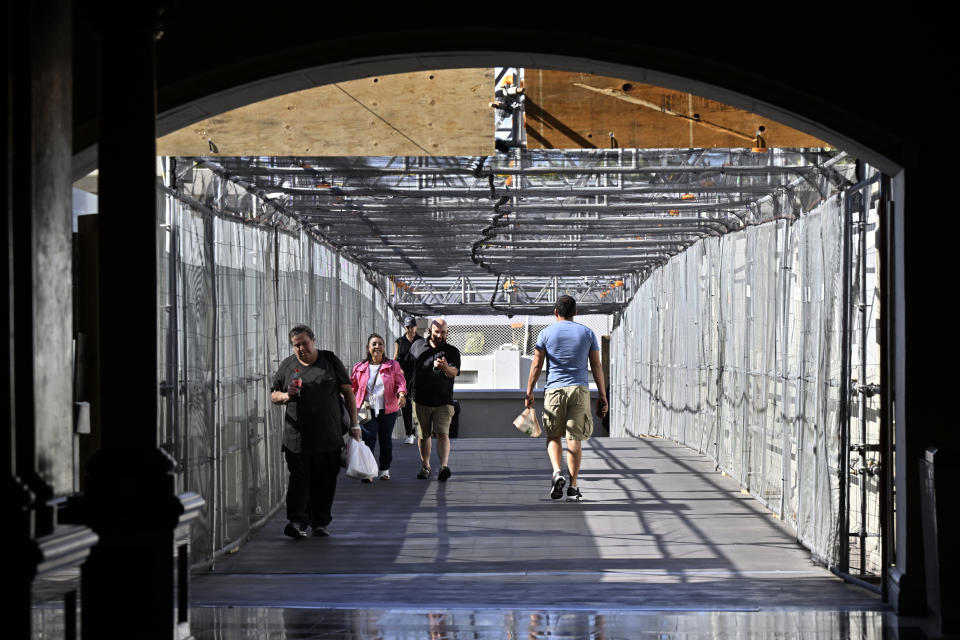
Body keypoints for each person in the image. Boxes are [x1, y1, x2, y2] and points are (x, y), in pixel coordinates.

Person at [271, 324, 360, 538]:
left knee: (326, 480)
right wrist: (286, 395)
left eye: (304, 343)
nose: (301, 348)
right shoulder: (287, 366)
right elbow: (274, 395)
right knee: (299, 480)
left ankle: (320, 522)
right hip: (297, 438)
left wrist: (355, 425)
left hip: (329, 436)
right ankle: (297, 521)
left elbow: (348, 392)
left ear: (313, 341)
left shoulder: (329, 361)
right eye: (296, 345)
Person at [525, 296, 608, 501]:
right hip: (579, 390)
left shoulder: (545, 333)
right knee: (574, 439)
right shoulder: (587, 333)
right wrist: (603, 395)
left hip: (554, 390)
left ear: (555, 312)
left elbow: (536, 365)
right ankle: (572, 487)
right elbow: (597, 366)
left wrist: (529, 392)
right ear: (575, 313)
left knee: (553, 436)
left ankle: (556, 472)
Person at [406, 318, 460, 481]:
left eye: (443, 332)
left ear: (447, 333)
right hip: (420, 399)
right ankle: (426, 466)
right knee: (423, 435)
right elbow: (406, 368)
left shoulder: (452, 351)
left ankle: (443, 467)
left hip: (444, 400)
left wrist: (445, 368)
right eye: (437, 331)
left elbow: (454, 372)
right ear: (430, 331)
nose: (440, 335)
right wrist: (401, 391)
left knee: (443, 434)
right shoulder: (417, 346)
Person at [351, 333, 408, 482]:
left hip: (388, 409)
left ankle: (384, 469)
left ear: (384, 347)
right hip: (367, 410)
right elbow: (352, 387)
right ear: (368, 348)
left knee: (385, 440)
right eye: (374, 344)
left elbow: (400, 383)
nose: (377, 347)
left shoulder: (392, 365)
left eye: (380, 344)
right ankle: (369, 471)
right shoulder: (359, 367)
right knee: (369, 440)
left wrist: (401, 395)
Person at [393, 316, 423, 445]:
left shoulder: (421, 341)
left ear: (416, 326)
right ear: (405, 328)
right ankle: (409, 433)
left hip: (417, 376)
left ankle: (420, 432)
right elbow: (395, 358)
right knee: (406, 404)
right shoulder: (399, 341)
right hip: (403, 376)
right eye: (407, 327)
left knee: (417, 404)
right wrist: (395, 371)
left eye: (412, 326)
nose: (410, 329)